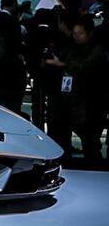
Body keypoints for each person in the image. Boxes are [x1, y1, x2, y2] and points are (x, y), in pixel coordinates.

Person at [44, 16, 106, 166]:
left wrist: (63, 64)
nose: (77, 36)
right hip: (70, 101)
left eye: (80, 33)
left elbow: (87, 67)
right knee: (64, 138)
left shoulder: (98, 50)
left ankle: (94, 167)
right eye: (75, 33)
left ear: (89, 33)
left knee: (91, 142)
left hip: (90, 100)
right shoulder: (71, 48)